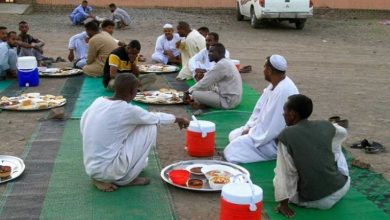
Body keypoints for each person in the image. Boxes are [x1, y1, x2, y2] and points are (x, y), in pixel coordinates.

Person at [81, 73, 189, 192]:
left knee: (135, 126)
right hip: (109, 170)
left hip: (91, 167)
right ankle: (127, 179)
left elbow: (84, 123)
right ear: (133, 91)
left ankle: (101, 177)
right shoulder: (127, 110)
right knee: (150, 126)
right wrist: (180, 119)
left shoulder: (98, 101)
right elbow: (155, 118)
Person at [274, 94, 350, 218]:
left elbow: (286, 173)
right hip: (342, 188)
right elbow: (342, 132)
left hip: (316, 201)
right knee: (337, 149)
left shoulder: (287, 135)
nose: (283, 114)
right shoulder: (326, 125)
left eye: (285, 111)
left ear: (293, 114)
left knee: (278, 176)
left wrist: (283, 204)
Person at [224, 55, 299, 163]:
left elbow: (274, 127)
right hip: (261, 131)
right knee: (233, 135)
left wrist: (251, 132)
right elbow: (259, 111)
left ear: (269, 70)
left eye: (264, 67)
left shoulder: (283, 91)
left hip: (274, 141)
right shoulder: (274, 85)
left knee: (232, 150)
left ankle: (273, 154)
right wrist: (249, 127)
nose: (263, 70)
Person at [185, 43, 242, 109]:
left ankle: (202, 104)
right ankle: (204, 103)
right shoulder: (226, 62)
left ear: (220, 53)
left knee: (195, 93)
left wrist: (188, 91)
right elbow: (210, 78)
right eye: (209, 51)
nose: (209, 54)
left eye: (211, 52)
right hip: (235, 99)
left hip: (228, 101)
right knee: (205, 86)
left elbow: (204, 82)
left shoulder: (221, 65)